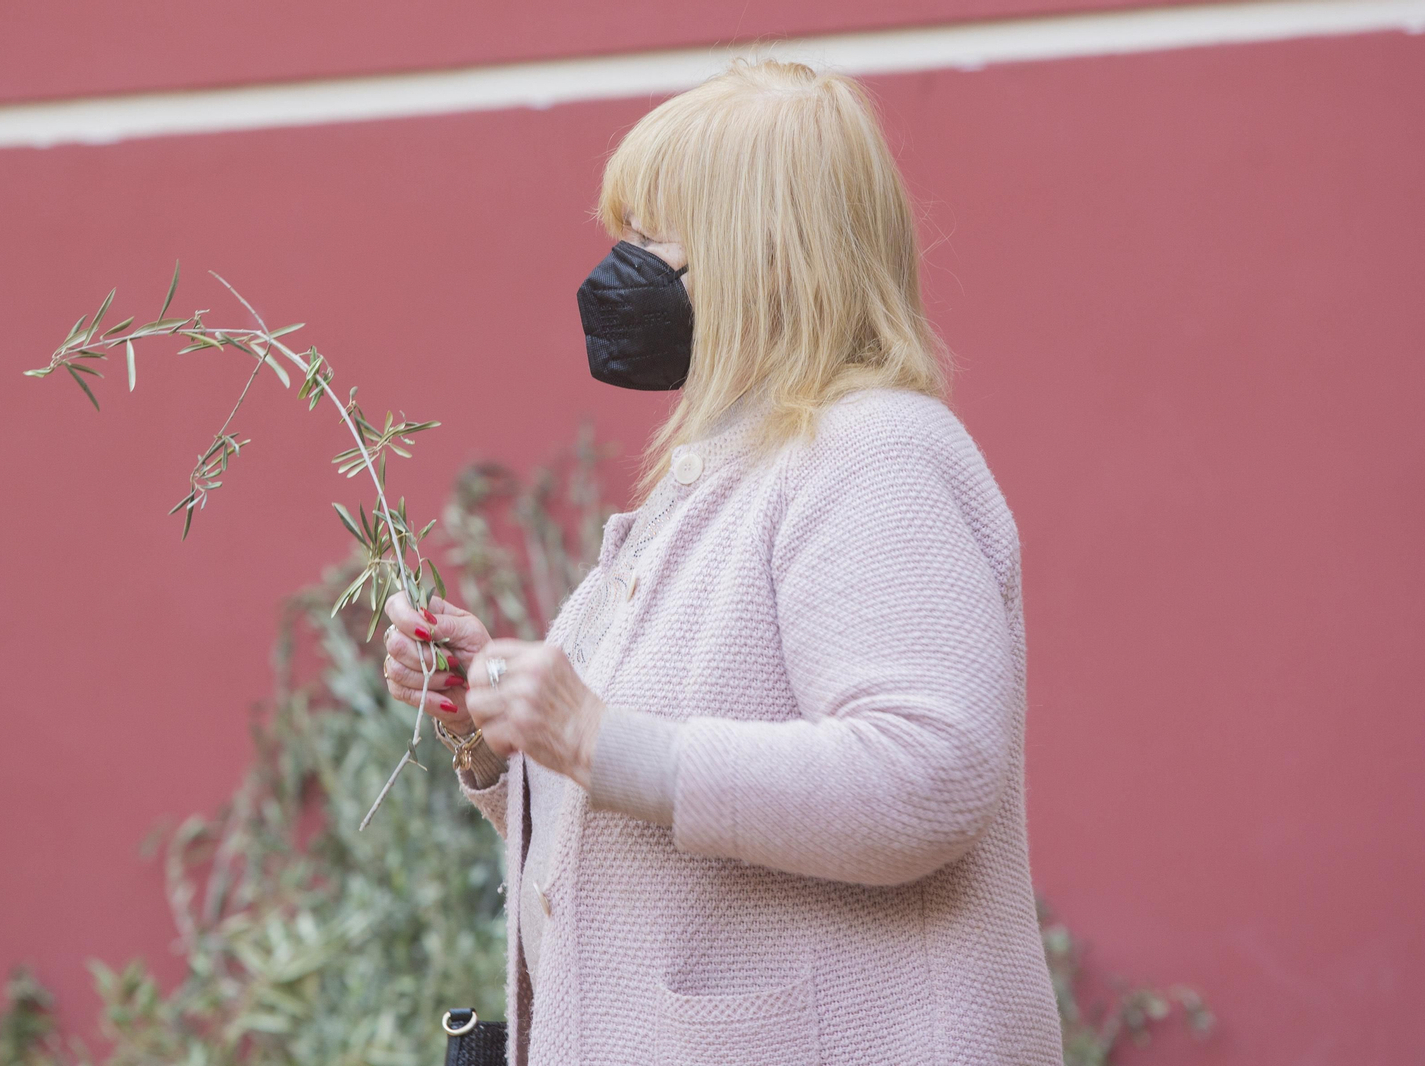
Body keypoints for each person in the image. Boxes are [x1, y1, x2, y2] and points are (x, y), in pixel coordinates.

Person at [383, 58, 1061, 1066]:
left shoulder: (871, 454)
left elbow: (926, 775)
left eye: (655, 238)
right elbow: (626, 810)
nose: (622, 269)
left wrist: (595, 736)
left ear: (766, 255)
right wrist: (495, 724)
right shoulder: (724, 478)